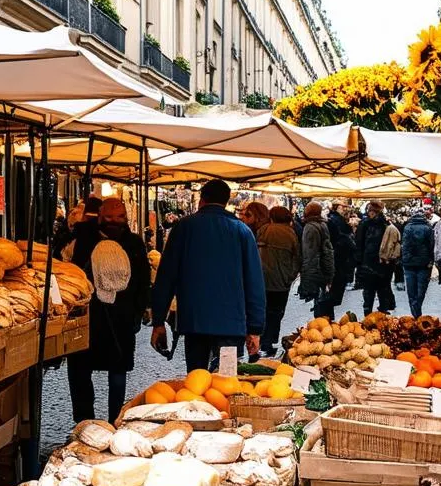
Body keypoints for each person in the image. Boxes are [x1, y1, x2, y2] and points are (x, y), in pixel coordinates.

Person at [151, 178, 265, 372]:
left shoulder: (184, 227)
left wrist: (158, 321)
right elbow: (254, 283)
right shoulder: (243, 231)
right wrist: (255, 328)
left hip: (194, 321)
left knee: (196, 380)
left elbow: (166, 276)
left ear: (201, 199)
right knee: (227, 382)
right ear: (227, 201)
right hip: (231, 323)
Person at [67, 198, 150, 423]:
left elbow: (143, 280)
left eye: (120, 217)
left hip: (121, 318)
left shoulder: (134, 243)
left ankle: (116, 419)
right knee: (80, 369)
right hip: (88, 316)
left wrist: (139, 311)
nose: (115, 221)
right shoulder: (82, 239)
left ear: (126, 218)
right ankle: (84, 420)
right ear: (100, 216)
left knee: (118, 370)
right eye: (109, 217)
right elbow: (68, 270)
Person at [258, 206, 301, 357]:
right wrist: (290, 276)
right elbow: (296, 259)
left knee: (263, 311)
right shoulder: (291, 234)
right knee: (276, 313)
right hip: (281, 281)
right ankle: (268, 342)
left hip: (262, 279)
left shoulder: (264, 230)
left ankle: (262, 341)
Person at [354, 201, 394, 314]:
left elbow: (359, 243)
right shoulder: (383, 224)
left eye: (372, 211)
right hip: (376, 263)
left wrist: (359, 262)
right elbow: (359, 244)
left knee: (375, 291)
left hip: (375, 263)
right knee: (375, 291)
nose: (370, 213)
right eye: (369, 211)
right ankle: (375, 314)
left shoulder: (381, 224)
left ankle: (376, 314)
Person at [298, 202, 335, 319]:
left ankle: (322, 329)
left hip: (316, 271)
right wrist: (329, 274)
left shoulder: (311, 227)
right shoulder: (322, 225)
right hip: (323, 270)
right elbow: (327, 251)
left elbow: (310, 255)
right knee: (322, 303)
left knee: (320, 306)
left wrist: (308, 279)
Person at [401, 208, 434, 318]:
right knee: (421, 291)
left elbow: (404, 246)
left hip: (409, 264)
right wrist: (431, 260)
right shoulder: (428, 228)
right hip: (423, 264)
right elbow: (431, 246)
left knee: (411, 292)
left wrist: (404, 260)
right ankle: (417, 311)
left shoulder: (407, 227)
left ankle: (416, 314)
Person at [326, 202, 356, 312]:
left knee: (335, 288)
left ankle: (328, 312)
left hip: (338, 257)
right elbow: (339, 237)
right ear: (337, 207)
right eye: (342, 207)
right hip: (338, 257)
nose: (344, 209)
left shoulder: (335, 219)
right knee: (335, 287)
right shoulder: (335, 220)